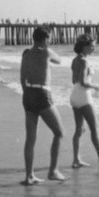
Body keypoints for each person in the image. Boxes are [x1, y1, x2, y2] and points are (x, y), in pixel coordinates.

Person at [20, 26, 67, 185]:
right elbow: (59, 60)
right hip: (42, 94)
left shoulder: (26, 54)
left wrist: (27, 94)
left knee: (30, 138)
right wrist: (48, 48)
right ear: (44, 39)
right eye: (49, 38)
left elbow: (22, 78)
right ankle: (53, 171)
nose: (50, 41)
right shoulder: (46, 52)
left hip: (28, 94)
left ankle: (29, 176)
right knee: (59, 132)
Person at [70, 34, 99, 168]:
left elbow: (74, 81)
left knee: (79, 129)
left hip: (74, 95)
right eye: (92, 46)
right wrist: (96, 86)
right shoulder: (85, 61)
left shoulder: (75, 60)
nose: (93, 49)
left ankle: (76, 160)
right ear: (84, 46)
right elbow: (84, 83)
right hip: (84, 96)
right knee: (94, 128)